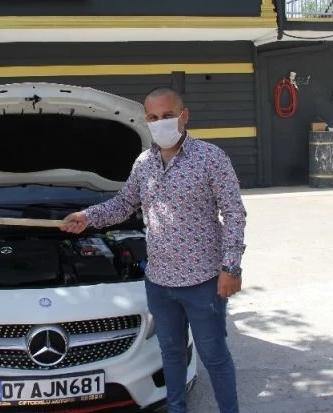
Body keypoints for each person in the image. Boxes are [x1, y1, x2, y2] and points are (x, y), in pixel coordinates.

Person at [61, 87, 246, 413]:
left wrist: (230, 268)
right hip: (159, 283)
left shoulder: (211, 158)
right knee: (171, 355)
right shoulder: (144, 163)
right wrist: (87, 217)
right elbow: (124, 204)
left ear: (184, 116)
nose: (160, 122)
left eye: (167, 116)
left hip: (203, 282)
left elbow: (234, 213)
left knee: (214, 355)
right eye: (153, 117)